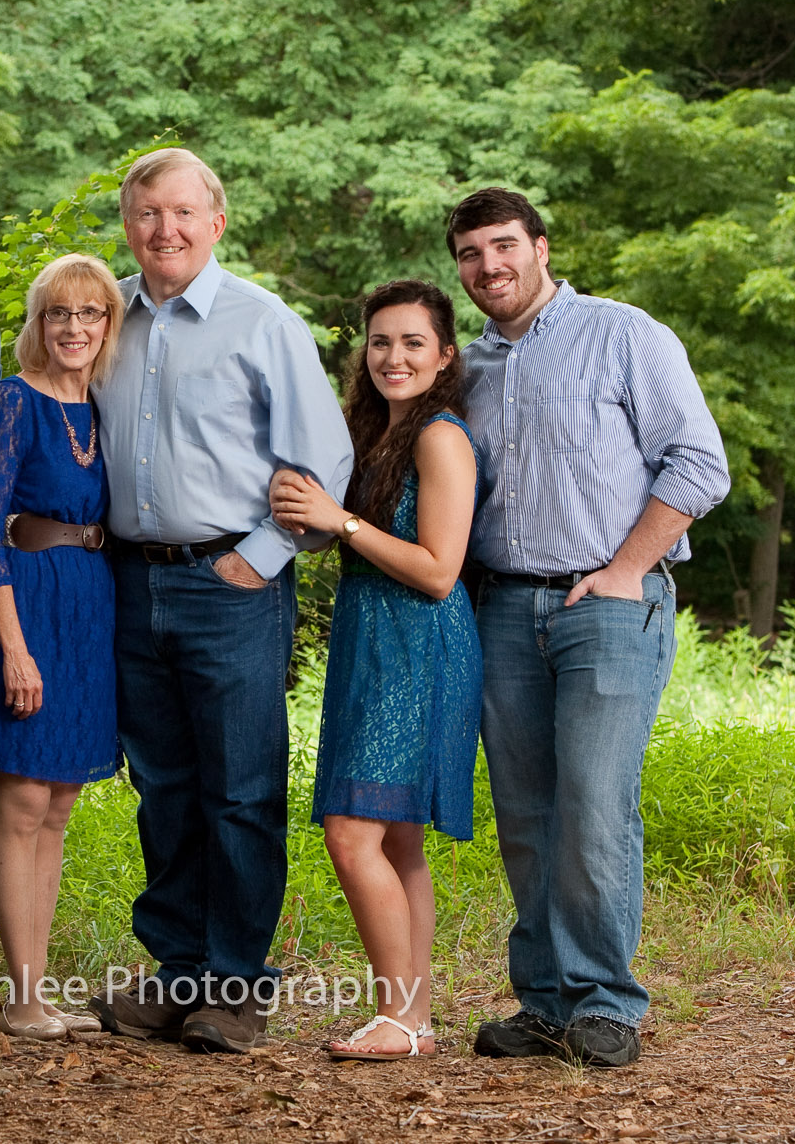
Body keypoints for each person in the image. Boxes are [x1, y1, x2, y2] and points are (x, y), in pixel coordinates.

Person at [448, 188, 729, 1068]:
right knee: (526, 813)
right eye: (471, 254)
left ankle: (606, 1003)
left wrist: (628, 568)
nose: (489, 265)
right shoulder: (468, 368)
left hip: (606, 606)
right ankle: (544, 1003)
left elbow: (700, 463)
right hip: (502, 609)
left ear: (540, 246)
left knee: (595, 805)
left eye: (504, 245)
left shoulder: (623, 334)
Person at [91, 147, 353, 1053]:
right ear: (128, 225)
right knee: (163, 786)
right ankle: (179, 973)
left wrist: (264, 557)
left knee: (240, 790)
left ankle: (236, 985)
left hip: (229, 583)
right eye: (146, 213)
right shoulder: (105, 316)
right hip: (129, 581)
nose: (164, 230)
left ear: (216, 223)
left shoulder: (262, 322)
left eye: (181, 213)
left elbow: (325, 458)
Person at [269, 280, 486, 1060]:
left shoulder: (440, 437)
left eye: (413, 343)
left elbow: (439, 570)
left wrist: (343, 521)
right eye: (382, 342)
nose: (394, 357)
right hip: (371, 637)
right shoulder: (371, 430)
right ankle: (412, 1020)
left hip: (419, 642)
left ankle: (396, 1014)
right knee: (396, 842)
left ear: (446, 355)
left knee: (352, 833)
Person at [0, 254, 125, 1040]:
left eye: (90, 313)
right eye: (59, 313)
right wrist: (13, 649)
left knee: (58, 805)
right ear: (38, 322)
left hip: (89, 607)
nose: (74, 327)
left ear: (107, 325)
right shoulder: (12, 400)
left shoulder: (103, 410)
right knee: (23, 800)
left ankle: (38, 993)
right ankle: (21, 1000)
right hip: (25, 604)